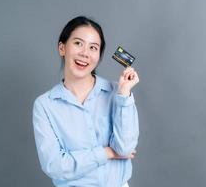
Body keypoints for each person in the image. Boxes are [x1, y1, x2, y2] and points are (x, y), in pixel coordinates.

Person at [32, 16, 139, 187]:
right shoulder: (45, 105)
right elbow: (55, 165)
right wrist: (107, 153)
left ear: (99, 55)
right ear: (62, 48)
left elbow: (125, 149)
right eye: (78, 43)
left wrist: (124, 94)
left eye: (93, 47)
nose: (85, 53)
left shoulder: (116, 93)